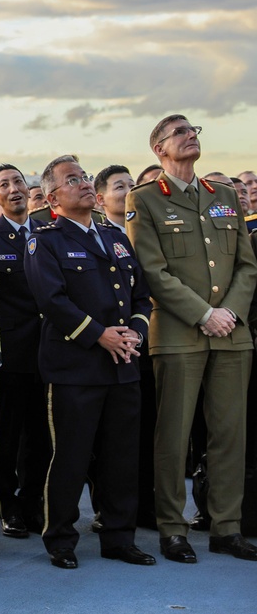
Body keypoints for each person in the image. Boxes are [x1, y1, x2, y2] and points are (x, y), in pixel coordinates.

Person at [127, 115, 257, 563]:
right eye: (180, 132)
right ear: (159, 149)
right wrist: (204, 314)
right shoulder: (143, 199)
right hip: (180, 332)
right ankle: (172, 528)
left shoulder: (222, 196)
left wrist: (230, 313)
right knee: (174, 433)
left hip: (231, 333)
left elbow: (246, 264)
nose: (191, 137)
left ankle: (227, 527)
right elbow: (153, 270)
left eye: (194, 131)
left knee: (229, 434)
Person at [25, 155, 155, 570]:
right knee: (72, 456)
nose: (83, 184)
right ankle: (61, 539)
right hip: (76, 367)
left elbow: (138, 294)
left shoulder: (115, 237)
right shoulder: (44, 240)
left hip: (123, 364)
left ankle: (119, 537)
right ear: (52, 198)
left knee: (121, 457)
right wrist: (100, 335)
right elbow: (51, 299)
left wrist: (134, 332)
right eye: (72, 180)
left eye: (83, 177)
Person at [0, 163, 51, 538]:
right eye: (4, 184)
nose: (14, 188)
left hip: (51, 349)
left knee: (42, 435)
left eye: (19, 181)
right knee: (6, 433)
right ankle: (7, 504)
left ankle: (34, 500)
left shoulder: (48, 231)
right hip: (10, 349)